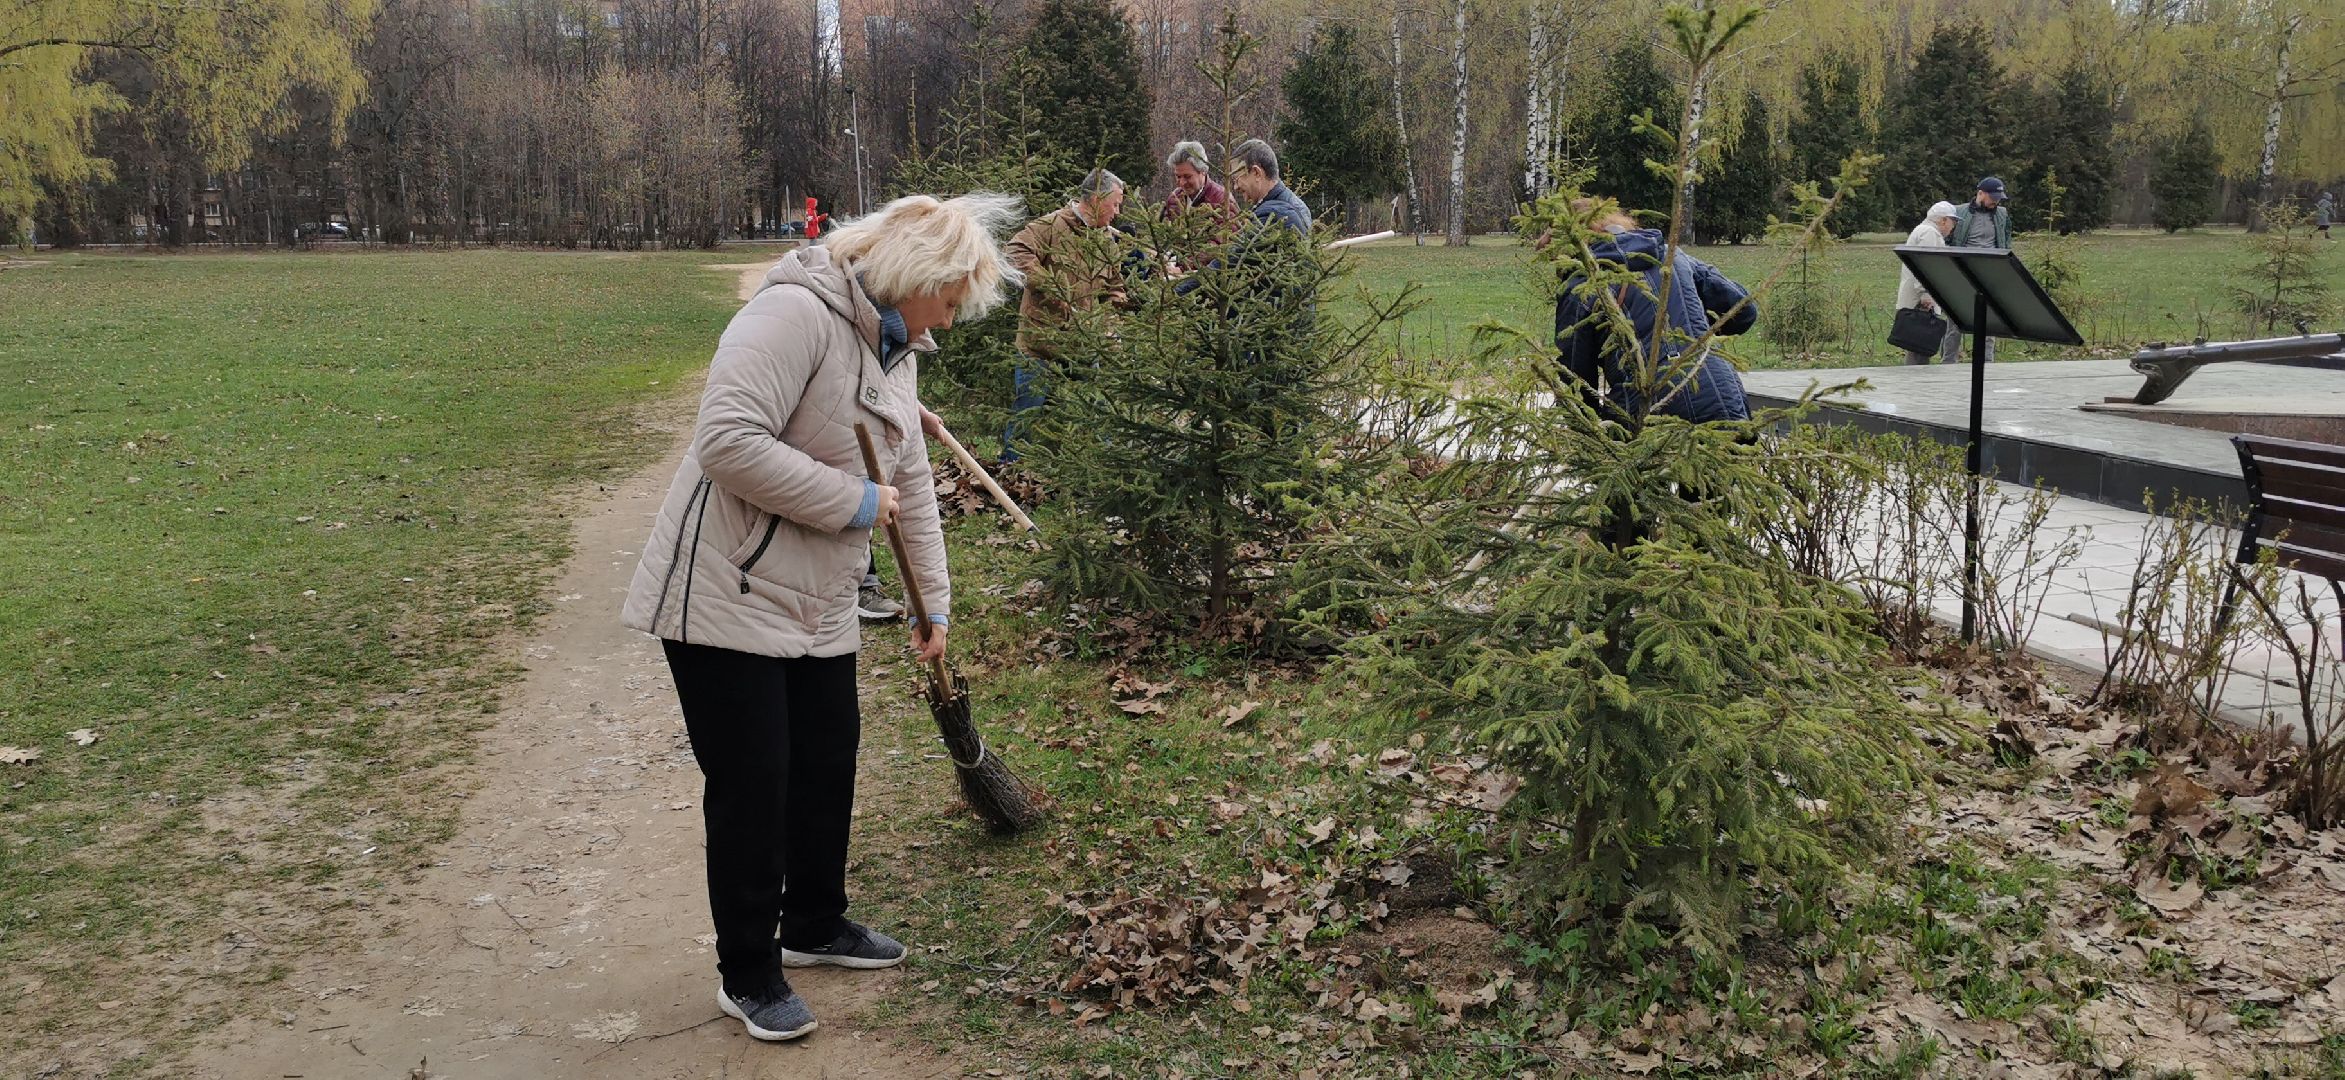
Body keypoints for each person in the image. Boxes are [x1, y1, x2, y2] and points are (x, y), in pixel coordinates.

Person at [618, 191, 1021, 1044]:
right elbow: (726, 441)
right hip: (724, 593)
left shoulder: (896, 347)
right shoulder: (794, 313)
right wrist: (854, 499)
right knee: (753, 781)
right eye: (949, 300)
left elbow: (909, 496)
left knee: (827, 757)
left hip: (818, 599)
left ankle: (812, 922)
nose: (947, 320)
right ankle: (749, 971)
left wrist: (933, 603)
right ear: (918, 276)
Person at [1551, 206, 1757, 424]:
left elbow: (1576, 382)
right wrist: (1694, 332)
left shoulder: (1580, 286)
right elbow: (1743, 310)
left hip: (1646, 415)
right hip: (1724, 403)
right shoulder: (1673, 256)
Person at [1000, 168, 1131, 461]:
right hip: (1039, 346)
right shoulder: (1051, 225)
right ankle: (1008, 473)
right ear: (1097, 200)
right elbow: (1015, 251)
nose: (1118, 212)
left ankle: (1105, 468)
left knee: (1100, 408)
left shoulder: (1106, 241)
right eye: (1116, 204)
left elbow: (1115, 287)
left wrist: (1111, 318)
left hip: (1084, 345)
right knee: (1028, 413)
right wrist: (1052, 286)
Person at [1940, 176, 2012, 364]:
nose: (1995, 202)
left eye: (1998, 198)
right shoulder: (1960, 212)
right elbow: (1948, 239)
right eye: (1992, 197)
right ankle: (1948, 363)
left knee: (1989, 324)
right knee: (1954, 323)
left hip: (1990, 274)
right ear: (1980, 193)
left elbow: (2005, 240)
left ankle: (1986, 363)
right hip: (1963, 273)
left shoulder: (2001, 214)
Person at [1897, 201, 1961, 364]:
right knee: (1920, 346)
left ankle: (1915, 378)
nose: (1953, 227)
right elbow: (1926, 267)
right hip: (1922, 300)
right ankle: (1917, 382)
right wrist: (1926, 294)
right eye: (1953, 222)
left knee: (1917, 346)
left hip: (1919, 297)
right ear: (1943, 220)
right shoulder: (1929, 233)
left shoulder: (1924, 230)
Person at [1161, 140, 1236, 223]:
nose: (1182, 183)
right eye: (1178, 176)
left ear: (1203, 171)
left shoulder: (1221, 199)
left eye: (1187, 177)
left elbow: (1230, 233)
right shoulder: (1174, 200)